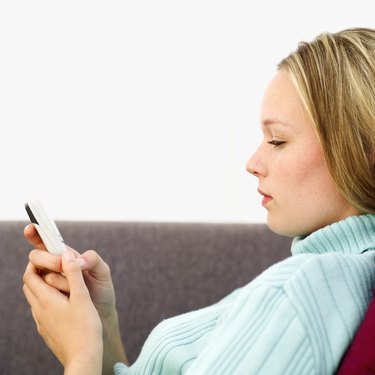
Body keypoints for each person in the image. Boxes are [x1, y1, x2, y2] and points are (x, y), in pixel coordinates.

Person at [23, 27, 375, 374]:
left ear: (361, 152)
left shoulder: (299, 292)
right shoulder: (335, 277)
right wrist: (103, 328)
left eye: (277, 140)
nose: (253, 164)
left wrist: (80, 354)